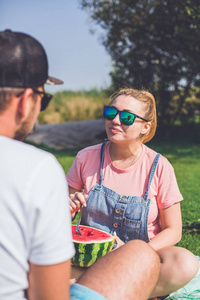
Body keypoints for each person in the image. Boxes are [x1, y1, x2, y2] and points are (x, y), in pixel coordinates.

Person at [0, 29, 161, 300]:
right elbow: (49, 294)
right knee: (139, 256)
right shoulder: (38, 167)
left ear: (146, 127)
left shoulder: (159, 165)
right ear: (26, 101)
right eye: (44, 98)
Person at [67, 87, 199, 299]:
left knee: (184, 262)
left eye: (127, 117)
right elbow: (60, 219)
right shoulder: (85, 158)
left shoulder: (160, 167)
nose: (116, 120)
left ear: (145, 127)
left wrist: (137, 253)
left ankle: (97, 288)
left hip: (143, 258)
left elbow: (174, 230)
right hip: (92, 259)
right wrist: (68, 206)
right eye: (111, 113)